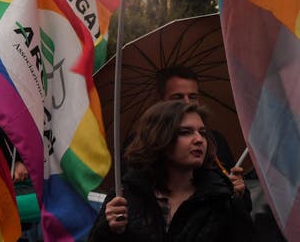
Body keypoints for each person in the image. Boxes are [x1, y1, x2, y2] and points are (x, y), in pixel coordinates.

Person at [88, 100, 255, 242]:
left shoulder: (222, 199)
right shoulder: (125, 194)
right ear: (159, 137)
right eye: (185, 132)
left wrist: (239, 201)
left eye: (202, 133)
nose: (199, 140)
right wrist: (109, 229)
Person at [155, 66, 246, 198]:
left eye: (192, 97)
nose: (186, 103)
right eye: (178, 97)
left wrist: (239, 192)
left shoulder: (215, 140)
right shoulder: (142, 144)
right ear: (161, 100)